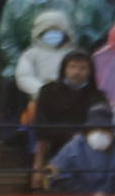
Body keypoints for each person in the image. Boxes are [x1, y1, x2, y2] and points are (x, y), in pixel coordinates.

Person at [33, 49, 107, 179]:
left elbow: (100, 127)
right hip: (55, 148)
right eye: (72, 67)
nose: (76, 72)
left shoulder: (98, 96)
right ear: (64, 69)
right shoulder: (48, 92)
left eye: (82, 68)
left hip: (87, 152)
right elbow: (41, 128)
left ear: (90, 72)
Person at [0, 0, 77, 82]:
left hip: (57, 58)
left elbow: (73, 36)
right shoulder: (14, 3)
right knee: (10, 81)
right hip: (20, 57)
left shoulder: (65, 4)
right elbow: (6, 38)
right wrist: (22, 61)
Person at [15, 10, 76, 115]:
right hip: (40, 101)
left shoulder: (73, 53)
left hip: (71, 100)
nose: (53, 33)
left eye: (57, 29)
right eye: (48, 30)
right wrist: (43, 91)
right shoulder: (31, 54)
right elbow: (23, 76)